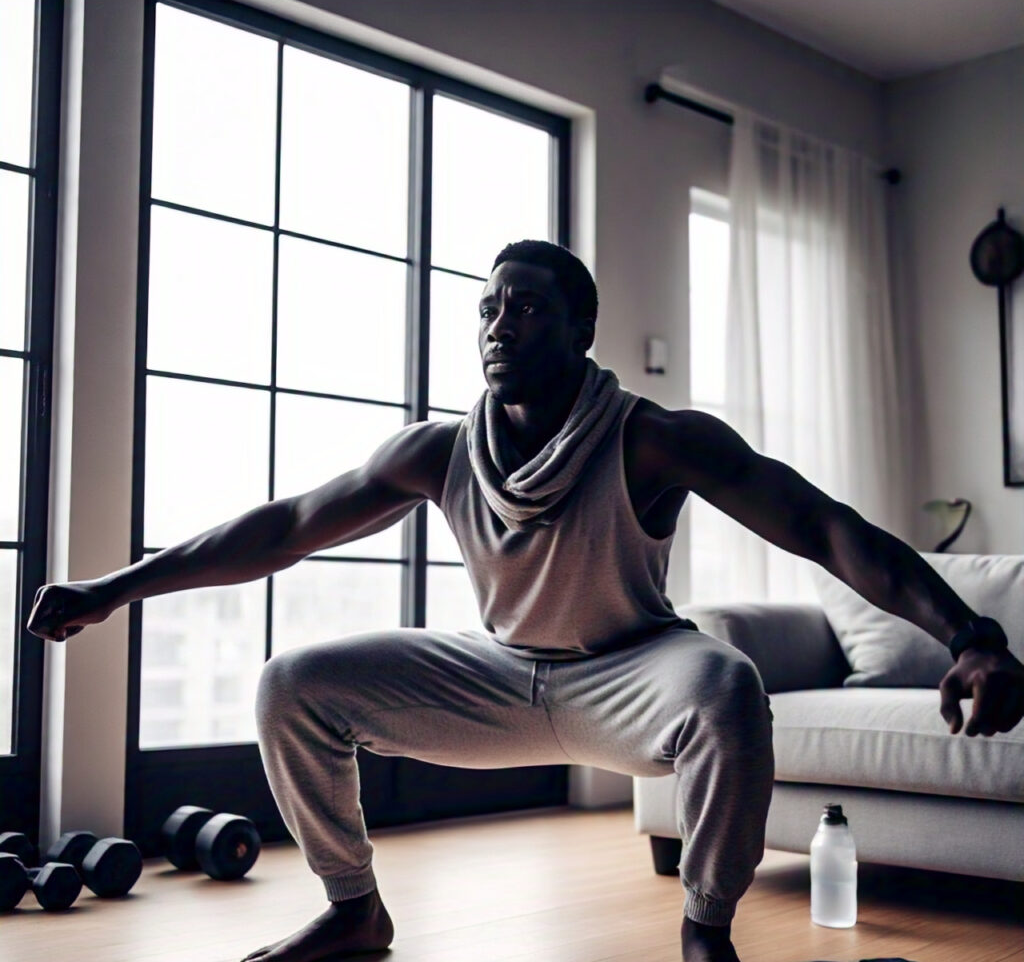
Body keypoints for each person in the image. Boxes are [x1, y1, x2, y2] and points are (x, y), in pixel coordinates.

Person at [27, 239, 1024, 962]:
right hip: (501, 674)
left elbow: (823, 524)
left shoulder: (651, 437)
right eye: (490, 306)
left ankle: (703, 929)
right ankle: (352, 910)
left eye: (529, 307)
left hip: (632, 669)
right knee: (291, 682)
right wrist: (116, 588)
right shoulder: (437, 448)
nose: (501, 324)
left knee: (726, 679)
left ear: (581, 328)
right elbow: (286, 524)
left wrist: (969, 634)